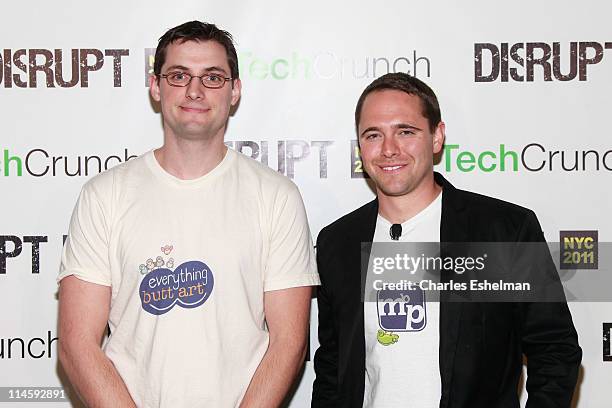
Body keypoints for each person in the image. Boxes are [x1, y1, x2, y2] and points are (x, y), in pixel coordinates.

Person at [57, 21, 319, 408]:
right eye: (179, 75)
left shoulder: (276, 196)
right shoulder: (104, 195)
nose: (194, 90)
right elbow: (77, 344)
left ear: (235, 91)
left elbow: (289, 344)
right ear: (156, 87)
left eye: (212, 77)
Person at [312, 72, 581, 407]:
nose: (389, 149)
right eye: (373, 135)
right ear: (360, 147)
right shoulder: (338, 242)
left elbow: (555, 349)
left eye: (405, 132)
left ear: (436, 137)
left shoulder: (502, 231)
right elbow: (332, 367)